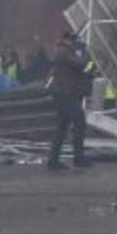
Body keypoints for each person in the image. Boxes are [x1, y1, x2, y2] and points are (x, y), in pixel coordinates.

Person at [47, 30, 95, 170]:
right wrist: (86, 53)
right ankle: (78, 158)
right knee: (80, 122)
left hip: (65, 93)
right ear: (69, 39)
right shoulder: (65, 51)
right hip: (66, 94)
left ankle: (54, 160)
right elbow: (79, 64)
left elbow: (76, 71)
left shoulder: (63, 50)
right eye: (75, 39)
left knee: (62, 127)